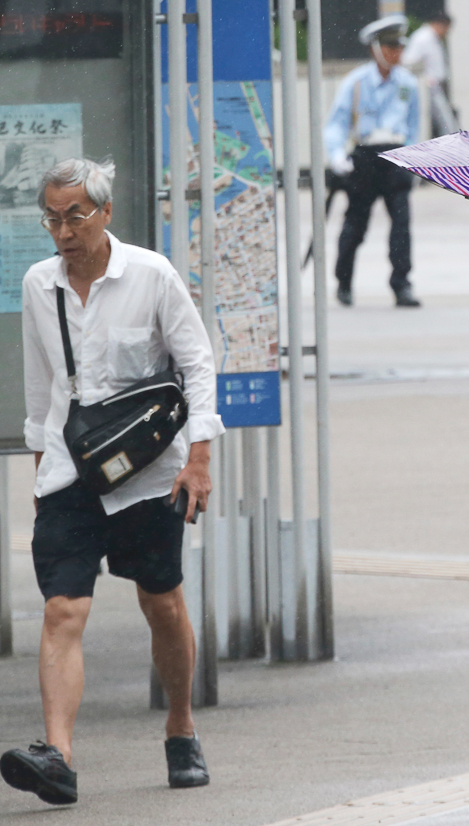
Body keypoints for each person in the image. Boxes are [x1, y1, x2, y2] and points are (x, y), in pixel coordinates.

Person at [2, 158, 224, 805]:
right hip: (71, 473)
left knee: (162, 604)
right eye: (52, 217)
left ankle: (180, 727)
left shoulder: (150, 275)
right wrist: (44, 471)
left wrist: (199, 457)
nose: (62, 230)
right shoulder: (39, 285)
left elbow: (197, 364)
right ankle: (59, 758)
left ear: (104, 213)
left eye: (74, 215)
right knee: (62, 609)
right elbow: (41, 387)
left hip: (150, 474)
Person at [324, 13, 422, 308]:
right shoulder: (355, 82)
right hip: (365, 157)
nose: (396, 53)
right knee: (355, 223)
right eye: (390, 47)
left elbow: (413, 125)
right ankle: (344, 282)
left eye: (399, 47)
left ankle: (401, 284)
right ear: (375, 49)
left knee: (402, 224)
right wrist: (337, 155)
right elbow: (337, 123)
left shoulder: (408, 84)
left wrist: (414, 159)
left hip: (396, 157)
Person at [402, 12, 458, 139]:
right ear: (440, 25)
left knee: (440, 120)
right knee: (444, 121)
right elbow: (408, 62)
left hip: (437, 84)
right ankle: (452, 142)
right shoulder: (422, 38)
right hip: (428, 86)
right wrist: (423, 78)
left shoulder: (433, 38)